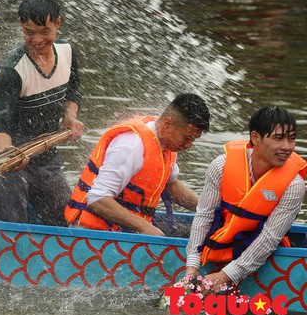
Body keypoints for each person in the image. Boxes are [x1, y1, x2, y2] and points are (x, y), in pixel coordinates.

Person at [185, 106, 306, 293]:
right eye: (278, 138)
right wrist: (192, 266)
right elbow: (204, 216)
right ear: (255, 137)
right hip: (219, 244)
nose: (287, 147)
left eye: (291, 139)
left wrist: (226, 275)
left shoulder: (293, 185)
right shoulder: (221, 166)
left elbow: (269, 238)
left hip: (261, 254)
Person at [0, 0, 84, 226]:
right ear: (22, 27)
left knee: (65, 223)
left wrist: (69, 118)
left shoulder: (68, 54)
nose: (38, 40)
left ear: (58, 24)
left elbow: (73, 91)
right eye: (29, 33)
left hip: (48, 160)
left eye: (45, 32)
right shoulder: (12, 69)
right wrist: (7, 154)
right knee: (14, 229)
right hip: (15, 166)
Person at [65, 93, 210, 235]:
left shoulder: (166, 142)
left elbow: (170, 185)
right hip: (91, 234)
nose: (189, 145)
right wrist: (144, 226)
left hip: (124, 231)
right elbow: (97, 199)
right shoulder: (131, 145)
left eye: (193, 139)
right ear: (167, 123)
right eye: (187, 138)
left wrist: (206, 209)